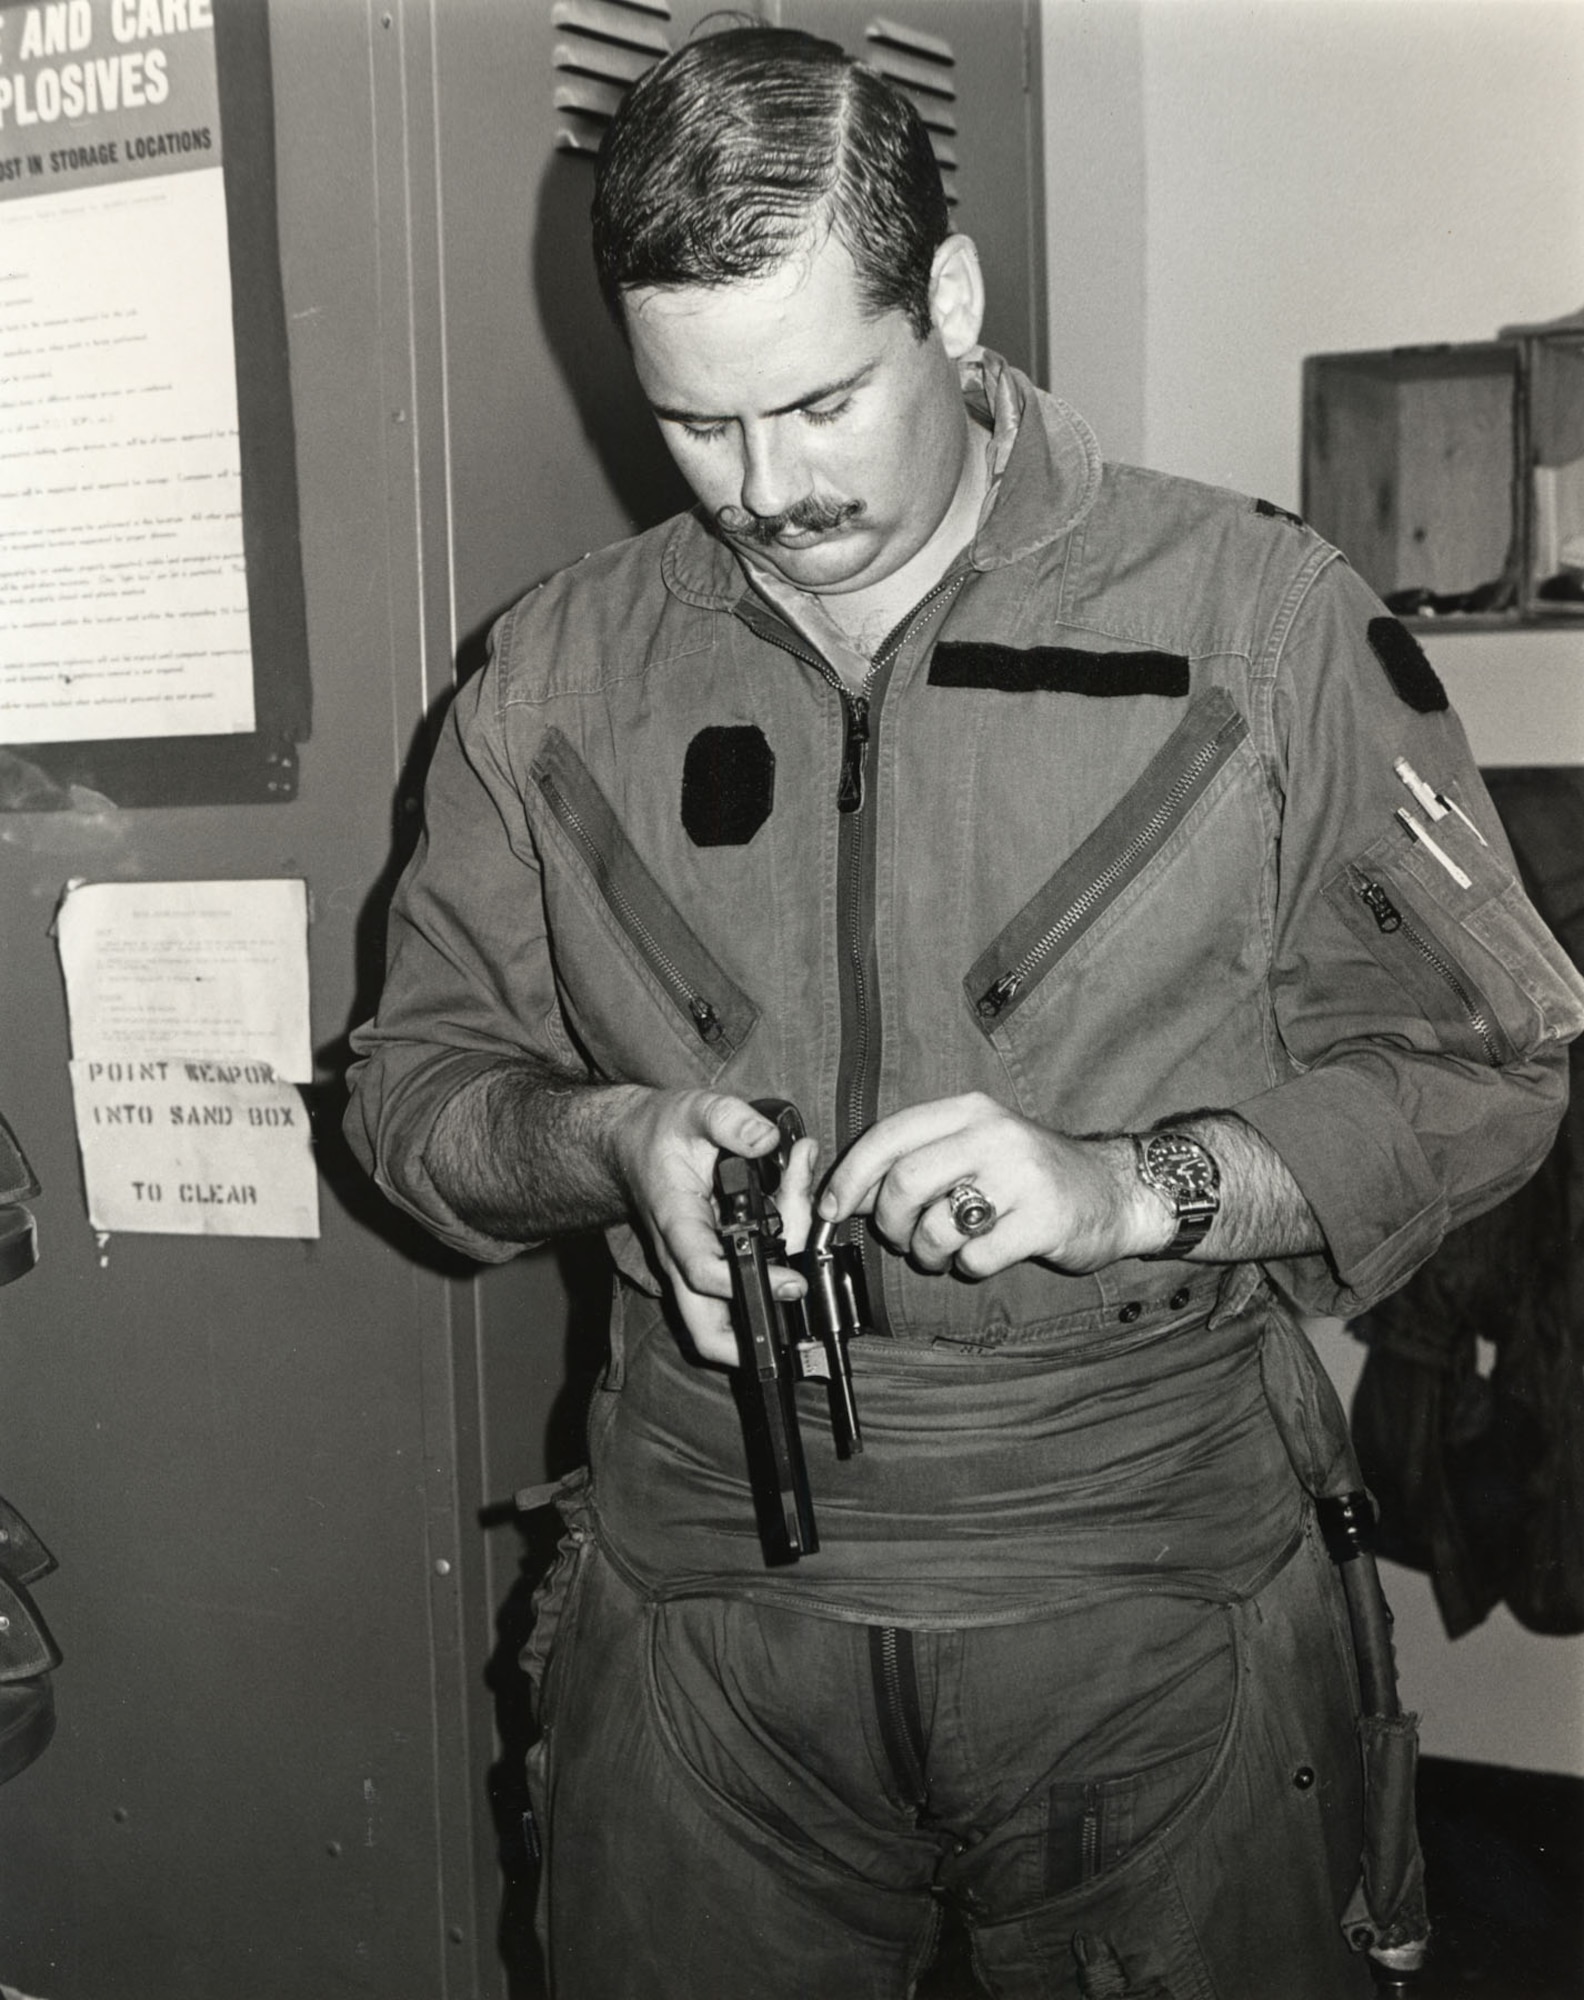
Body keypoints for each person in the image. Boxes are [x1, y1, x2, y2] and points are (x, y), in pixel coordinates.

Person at [346, 26, 1584, 1999]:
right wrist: (614, 1142)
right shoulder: (550, 676)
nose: (765, 489)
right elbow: (414, 1093)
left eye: (824, 402)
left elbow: (1495, 1060)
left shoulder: (1260, 617)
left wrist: (1130, 1187)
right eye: (695, 424)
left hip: (1143, 1594)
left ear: (954, 301)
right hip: (703, 1614)